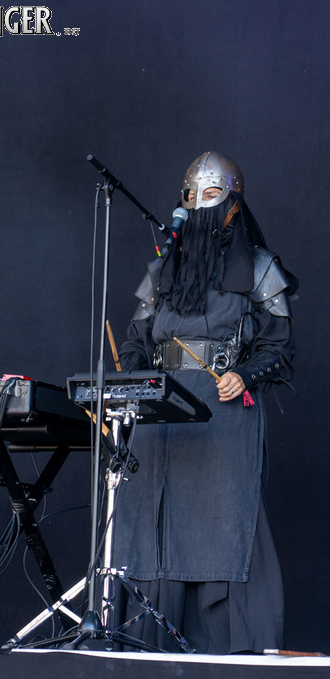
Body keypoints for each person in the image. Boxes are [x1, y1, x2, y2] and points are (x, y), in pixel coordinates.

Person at [112, 151, 297, 654]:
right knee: (152, 528)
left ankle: (230, 648)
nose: (199, 206)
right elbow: (134, 343)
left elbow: (279, 348)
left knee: (224, 525)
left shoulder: (260, 268)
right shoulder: (162, 270)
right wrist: (134, 385)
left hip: (222, 411)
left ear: (234, 205)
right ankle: (149, 643)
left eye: (211, 196)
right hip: (159, 415)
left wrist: (244, 374)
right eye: (190, 197)